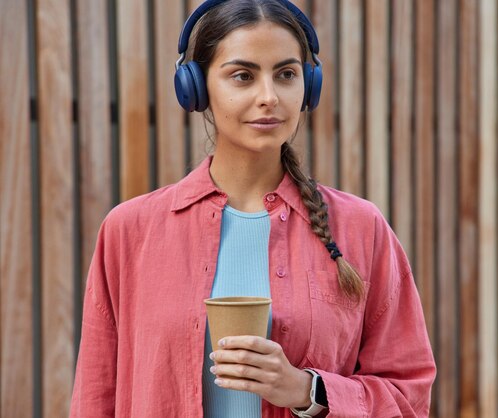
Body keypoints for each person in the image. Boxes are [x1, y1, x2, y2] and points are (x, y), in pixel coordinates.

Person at [70, 0, 436, 416]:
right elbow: (95, 397)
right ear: (196, 87)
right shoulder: (129, 231)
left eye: (286, 74)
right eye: (242, 76)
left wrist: (307, 391)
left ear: (308, 86)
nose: (269, 97)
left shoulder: (360, 228)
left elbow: (409, 397)